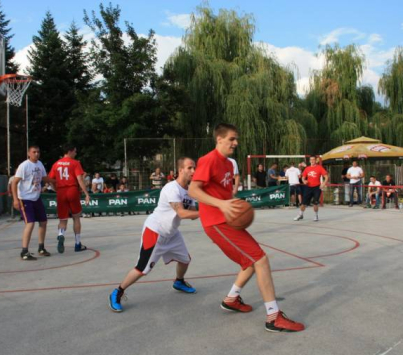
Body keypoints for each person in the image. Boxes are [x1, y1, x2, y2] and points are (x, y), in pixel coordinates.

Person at [189, 123, 304, 333]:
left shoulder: (227, 163)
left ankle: (231, 299)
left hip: (226, 220)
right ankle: (273, 317)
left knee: (250, 262)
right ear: (219, 139)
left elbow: (222, 193)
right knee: (260, 260)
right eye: (232, 139)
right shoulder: (208, 160)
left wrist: (230, 202)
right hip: (217, 222)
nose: (236, 143)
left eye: (236, 139)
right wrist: (222, 205)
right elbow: (193, 190)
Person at [108, 157, 199, 312]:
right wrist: (204, 212)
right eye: (190, 168)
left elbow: (192, 214)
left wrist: (206, 209)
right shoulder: (172, 188)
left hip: (171, 233)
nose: (193, 171)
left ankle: (179, 282)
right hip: (155, 231)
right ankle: (117, 292)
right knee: (142, 269)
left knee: (185, 260)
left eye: (194, 168)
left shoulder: (189, 192)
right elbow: (182, 213)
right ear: (180, 170)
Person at [11, 146, 52, 260]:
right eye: (34, 152)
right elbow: (14, 183)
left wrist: (57, 181)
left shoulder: (40, 164)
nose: (37, 154)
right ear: (29, 153)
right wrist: (15, 199)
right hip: (25, 198)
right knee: (30, 223)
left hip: (36, 197)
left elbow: (45, 178)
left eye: (38, 152)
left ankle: (41, 247)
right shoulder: (24, 165)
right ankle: (24, 251)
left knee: (43, 222)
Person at [48, 145, 91, 253]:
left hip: (61, 192)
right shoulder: (75, 163)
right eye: (75, 151)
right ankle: (77, 244)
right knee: (76, 217)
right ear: (70, 151)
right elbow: (80, 179)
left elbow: (50, 180)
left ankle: (61, 234)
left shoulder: (56, 164)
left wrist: (55, 189)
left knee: (63, 219)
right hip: (72, 190)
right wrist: (86, 193)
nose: (76, 153)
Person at [294, 156, 328, 222]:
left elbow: (326, 177)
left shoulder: (319, 167)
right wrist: (304, 181)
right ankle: (300, 214)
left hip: (317, 187)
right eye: (310, 160)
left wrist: (323, 183)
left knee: (315, 202)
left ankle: (316, 215)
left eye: (313, 159)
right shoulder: (307, 168)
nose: (312, 161)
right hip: (308, 187)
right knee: (303, 203)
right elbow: (303, 177)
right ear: (309, 161)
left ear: (316, 160)